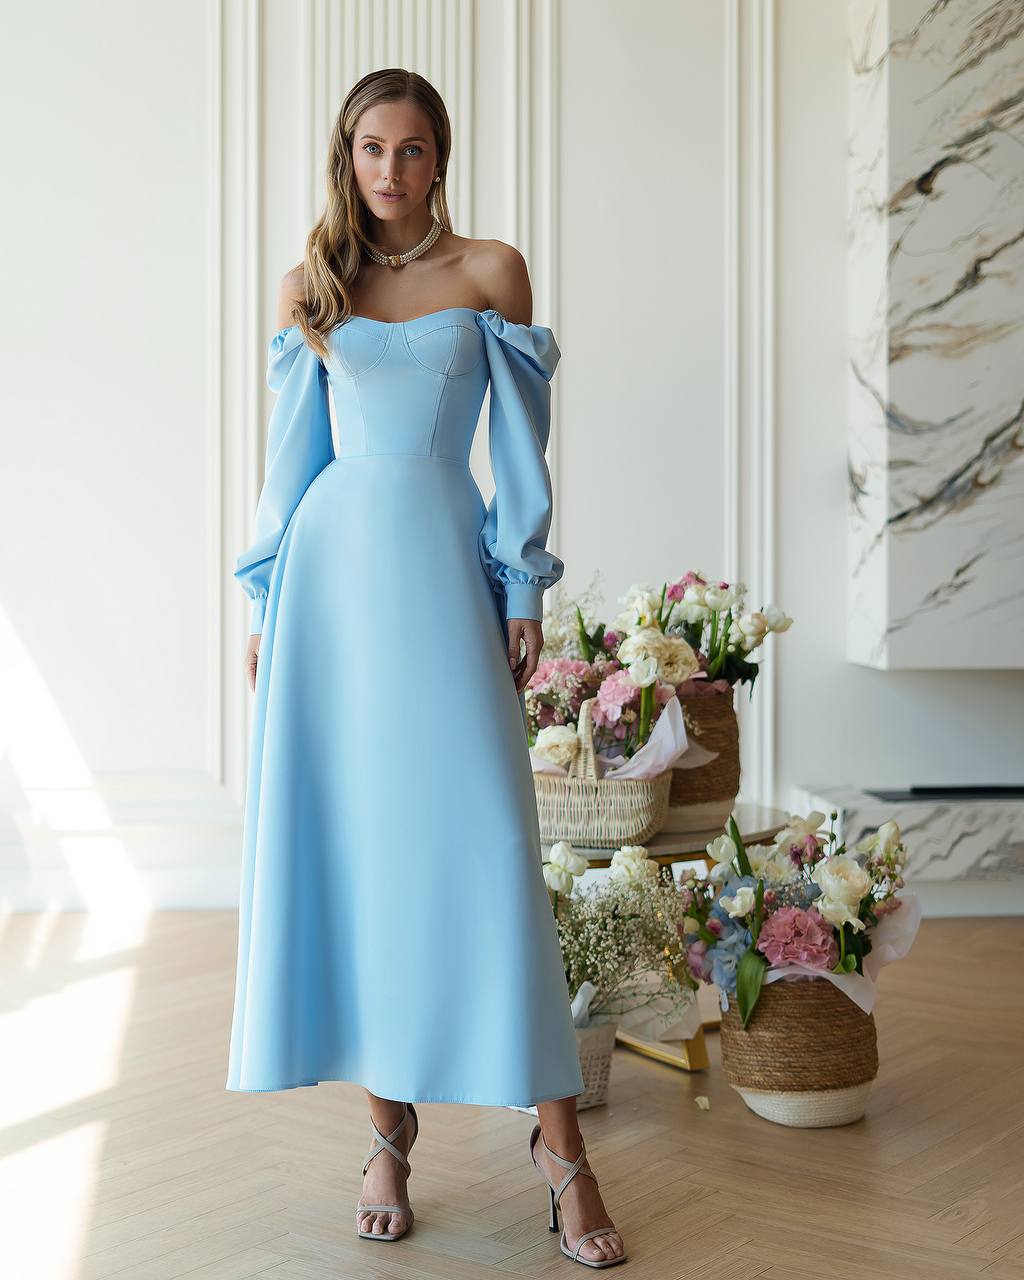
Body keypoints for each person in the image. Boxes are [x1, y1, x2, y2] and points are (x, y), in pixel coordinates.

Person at [224, 67, 627, 1269]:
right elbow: (290, 469)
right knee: (362, 850)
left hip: (447, 580)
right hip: (331, 596)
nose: (386, 171)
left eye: (407, 150)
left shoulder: (490, 275)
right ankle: (387, 1131)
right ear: (344, 158)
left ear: (439, 159)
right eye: (365, 149)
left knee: (484, 847)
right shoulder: (315, 289)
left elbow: (518, 457)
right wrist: (263, 601)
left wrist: (524, 586)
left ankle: (561, 1149)